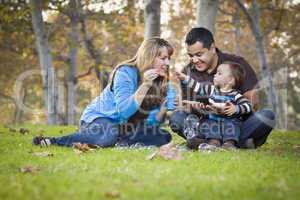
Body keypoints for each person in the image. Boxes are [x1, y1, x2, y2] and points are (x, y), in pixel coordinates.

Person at [33, 37, 173, 148]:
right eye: (163, 58)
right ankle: (55, 141)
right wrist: (145, 84)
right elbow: (124, 111)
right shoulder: (125, 72)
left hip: (122, 127)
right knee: (109, 134)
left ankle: (122, 143)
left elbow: (148, 122)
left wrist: (164, 111)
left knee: (163, 136)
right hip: (98, 119)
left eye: (168, 59)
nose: (167, 63)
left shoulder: (159, 82)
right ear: (148, 56)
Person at [169, 27, 275, 149]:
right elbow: (188, 110)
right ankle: (230, 143)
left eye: (199, 54)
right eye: (190, 55)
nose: (194, 60)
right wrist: (196, 107)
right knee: (176, 117)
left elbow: (253, 103)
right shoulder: (187, 72)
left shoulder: (236, 64)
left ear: (212, 48)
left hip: (235, 124)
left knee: (267, 115)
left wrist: (232, 109)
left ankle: (216, 142)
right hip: (208, 125)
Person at [176, 62, 252, 150]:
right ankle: (213, 142)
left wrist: (236, 108)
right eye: (216, 73)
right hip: (213, 120)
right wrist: (184, 78)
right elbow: (197, 86)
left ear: (230, 80)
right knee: (207, 123)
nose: (215, 75)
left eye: (219, 73)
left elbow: (247, 106)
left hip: (229, 122)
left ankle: (229, 143)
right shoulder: (211, 90)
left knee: (232, 125)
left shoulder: (236, 95)